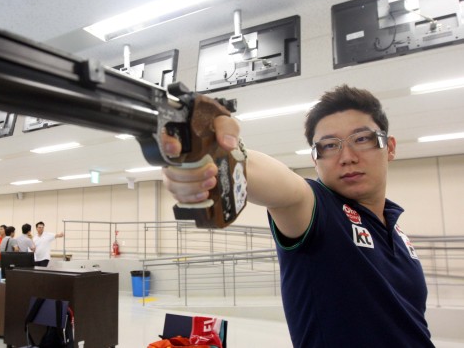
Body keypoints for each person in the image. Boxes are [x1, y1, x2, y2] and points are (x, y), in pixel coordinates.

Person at [162, 85, 433, 347]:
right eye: (329, 146)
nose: (347, 157)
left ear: (391, 147)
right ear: (315, 160)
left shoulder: (396, 231)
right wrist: (216, 151)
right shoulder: (320, 210)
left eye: (362, 139)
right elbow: (287, 189)